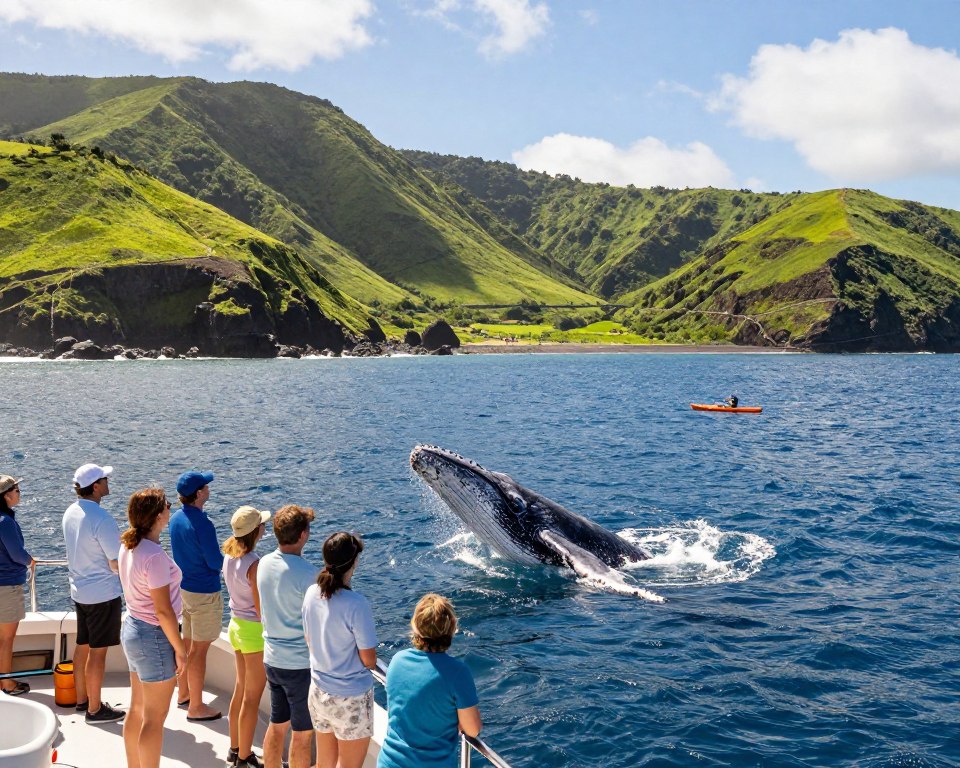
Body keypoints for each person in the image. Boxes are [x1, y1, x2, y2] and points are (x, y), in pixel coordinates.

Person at [118, 488, 187, 768]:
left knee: (137, 709)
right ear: (159, 515)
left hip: (133, 629)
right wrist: (180, 650)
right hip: (153, 638)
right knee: (155, 719)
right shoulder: (155, 556)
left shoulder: (128, 546)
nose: (171, 509)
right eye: (168, 506)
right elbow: (163, 611)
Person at [377, 594, 481, 768]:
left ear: (415, 626)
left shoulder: (397, 660)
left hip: (389, 762)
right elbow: (473, 729)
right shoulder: (457, 672)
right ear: (453, 627)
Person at [302, 533, 377, 768]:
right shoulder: (356, 604)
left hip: (318, 692)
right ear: (354, 562)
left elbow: (308, 638)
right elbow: (369, 660)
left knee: (324, 764)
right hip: (350, 698)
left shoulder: (311, 593)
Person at [62, 463, 125, 723]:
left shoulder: (70, 512)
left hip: (80, 592)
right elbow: (115, 562)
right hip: (102, 595)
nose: (108, 482)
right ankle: (95, 709)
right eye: (105, 479)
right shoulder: (102, 519)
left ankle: (82, 700)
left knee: (83, 645)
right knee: (98, 653)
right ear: (96, 486)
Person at [257, 505, 318, 768]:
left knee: (277, 724)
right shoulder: (309, 575)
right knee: (302, 733)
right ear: (303, 535)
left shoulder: (263, 564)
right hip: (299, 666)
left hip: (272, 660)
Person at [169, 469, 222, 722]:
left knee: (188, 645)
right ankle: (196, 707)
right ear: (199, 493)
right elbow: (214, 563)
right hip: (204, 592)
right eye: (206, 487)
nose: (209, 489)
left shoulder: (176, 519)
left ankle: (184, 693)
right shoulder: (203, 523)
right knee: (199, 651)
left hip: (185, 589)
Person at [223, 505, 272, 768]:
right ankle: (244, 757)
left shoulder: (229, 555)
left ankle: (234, 748)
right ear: (256, 531)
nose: (265, 527)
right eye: (262, 524)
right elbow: (260, 607)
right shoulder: (255, 563)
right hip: (253, 633)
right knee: (251, 698)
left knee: (240, 691)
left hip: (235, 627)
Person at [0, 474, 33, 696]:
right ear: (6, 496)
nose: (19, 493)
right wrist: (31, 560)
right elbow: (17, 554)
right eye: (17, 490)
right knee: (6, 639)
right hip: (7, 587)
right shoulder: (6, 522)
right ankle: (8, 684)